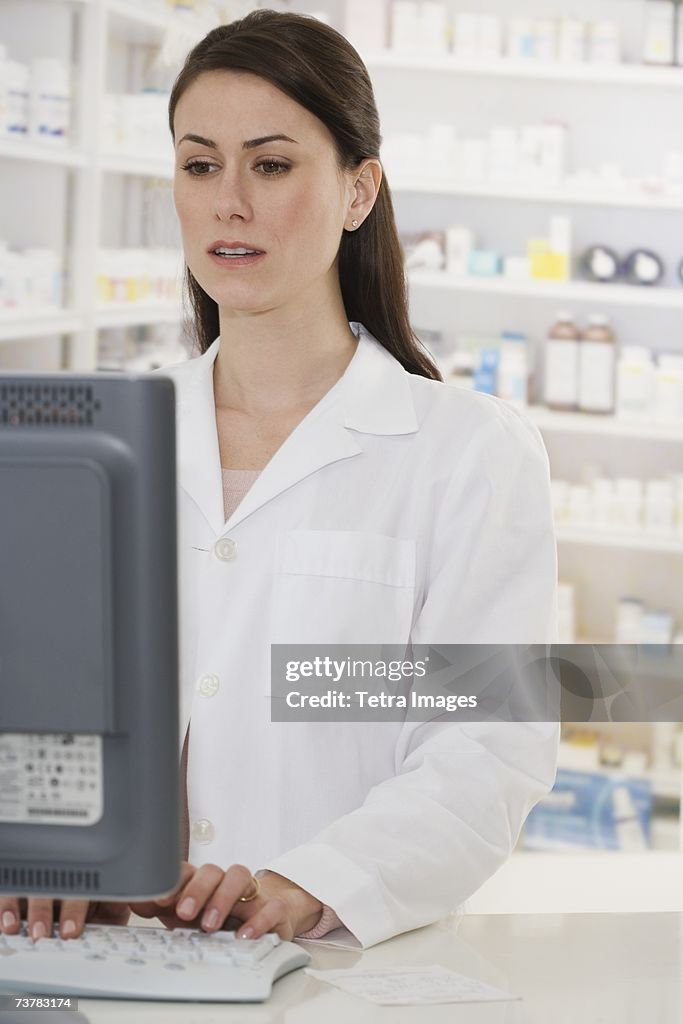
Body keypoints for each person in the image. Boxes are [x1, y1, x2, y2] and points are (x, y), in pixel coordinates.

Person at [0, 9, 558, 950]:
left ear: (356, 191)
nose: (228, 202)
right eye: (199, 164)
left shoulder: (466, 452)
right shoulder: (93, 447)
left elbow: (484, 752)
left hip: (327, 966)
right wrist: (41, 855)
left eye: (270, 164)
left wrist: (312, 881)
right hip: (95, 953)